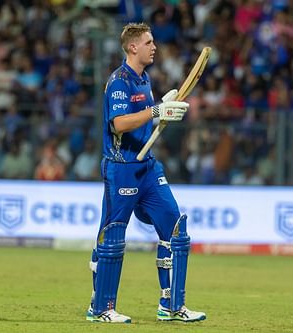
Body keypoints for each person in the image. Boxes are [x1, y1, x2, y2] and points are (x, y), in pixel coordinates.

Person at [86, 23, 206, 324]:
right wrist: (156, 112)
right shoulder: (119, 81)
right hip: (122, 168)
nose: (154, 46)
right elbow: (119, 124)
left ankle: (172, 305)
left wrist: (163, 109)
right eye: (149, 42)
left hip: (148, 168)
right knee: (112, 237)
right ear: (132, 47)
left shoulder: (144, 79)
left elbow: (145, 118)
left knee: (175, 228)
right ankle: (100, 307)